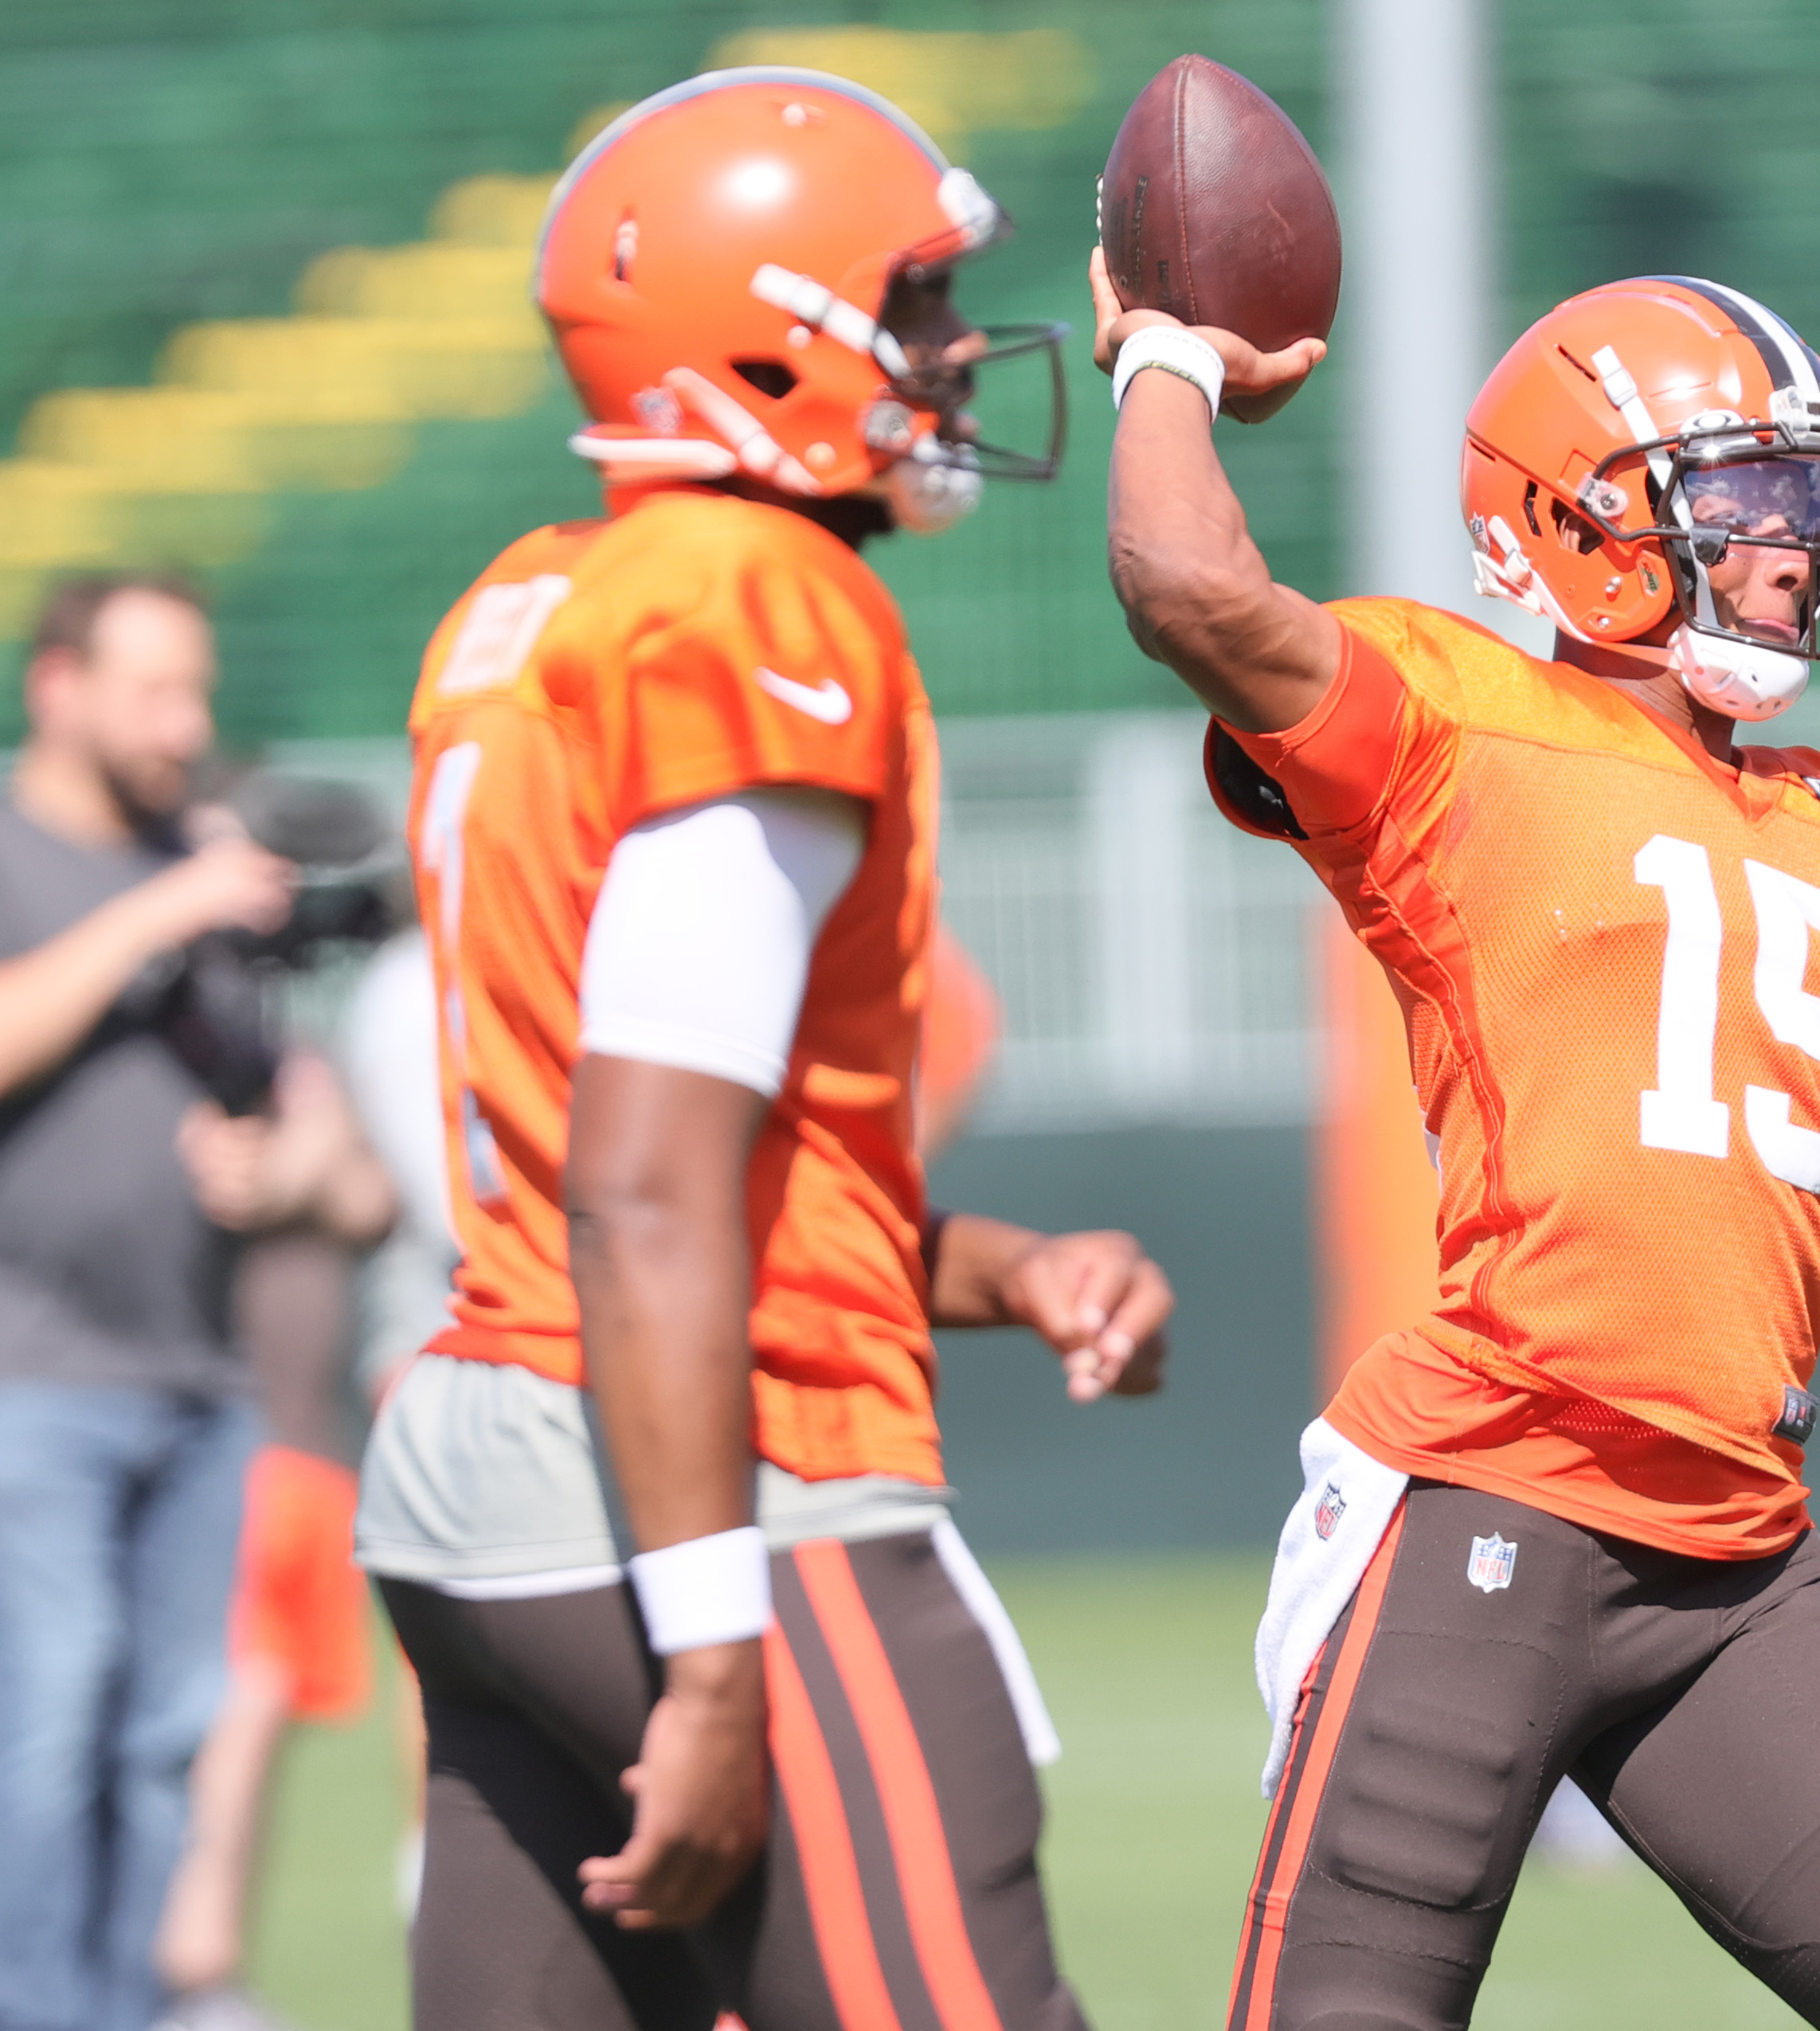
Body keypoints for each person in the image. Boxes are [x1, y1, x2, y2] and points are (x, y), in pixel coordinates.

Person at [1094, 264, 1820, 2031]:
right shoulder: (1449, 720)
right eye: (1750, 506)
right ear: (1580, 522)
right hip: (1483, 1500)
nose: (1803, 549)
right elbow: (1189, 581)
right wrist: (1168, 352)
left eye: (1816, 504)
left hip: (1737, 1555)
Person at [351, 68, 1172, 2031]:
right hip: (711, 1477)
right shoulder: (754, 594)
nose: (950, 351)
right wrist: (714, 1653)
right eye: (905, 306)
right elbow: (641, 1177)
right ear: (767, 328)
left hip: (481, 1468)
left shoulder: (533, 599)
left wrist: (994, 1266)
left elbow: (672, 1149)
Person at [0, 574, 300, 2031]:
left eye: (199, 690)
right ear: (57, 685)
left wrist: (272, 1160)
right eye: (152, 691)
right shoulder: (35, 848)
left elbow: (287, 1111)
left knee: (165, 1738)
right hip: (27, 1378)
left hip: (197, 1377)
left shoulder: (203, 854)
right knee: (41, 1730)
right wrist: (163, 911)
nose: (188, 725)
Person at [155, 1047, 401, 2031]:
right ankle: (190, 1975)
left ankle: (204, 1973)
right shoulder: (175, 1072)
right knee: (229, 1714)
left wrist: (314, 1150)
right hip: (224, 1447)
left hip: (307, 1452)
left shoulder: (313, 1076)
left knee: (261, 1712)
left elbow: (373, 1203)